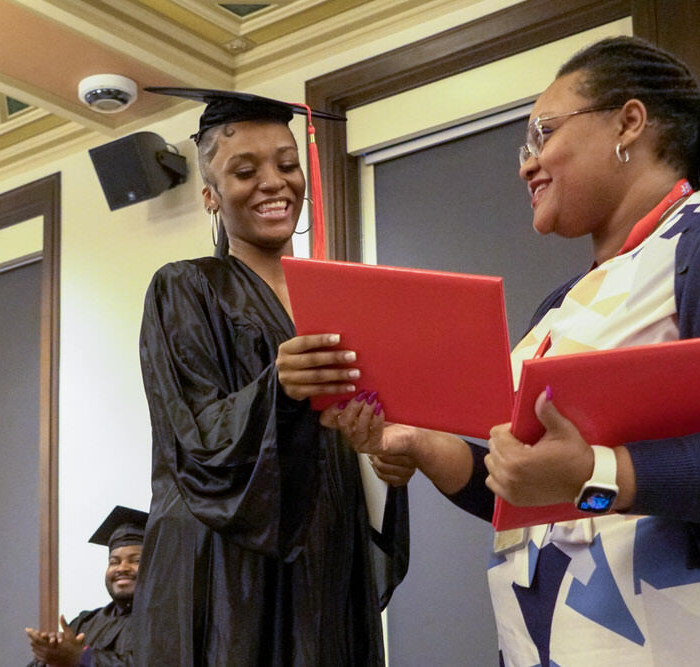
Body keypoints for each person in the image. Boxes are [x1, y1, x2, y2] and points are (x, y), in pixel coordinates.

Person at [278, 36, 700, 665]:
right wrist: (424, 445)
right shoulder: (559, 308)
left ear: (629, 122)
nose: (525, 164)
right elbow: (534, 495)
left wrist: (597, 473)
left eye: (542, 133)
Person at [133, 87, 411, 666]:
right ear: (210, 196)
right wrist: (276, 388)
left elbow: (361, 432)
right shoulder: (187, 286)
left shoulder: (340, 295)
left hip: (327, 551)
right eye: (244, 170)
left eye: (288, 165)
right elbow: (194, 436)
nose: (274, 182)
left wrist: (386, 456)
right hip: (230, 566)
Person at [24, 505, 146, 667]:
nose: (122, 568)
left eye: (135, 560)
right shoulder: (85, 623)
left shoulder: (165, 621)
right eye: (113, 562)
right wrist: (49, 656)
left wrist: (82, 656)